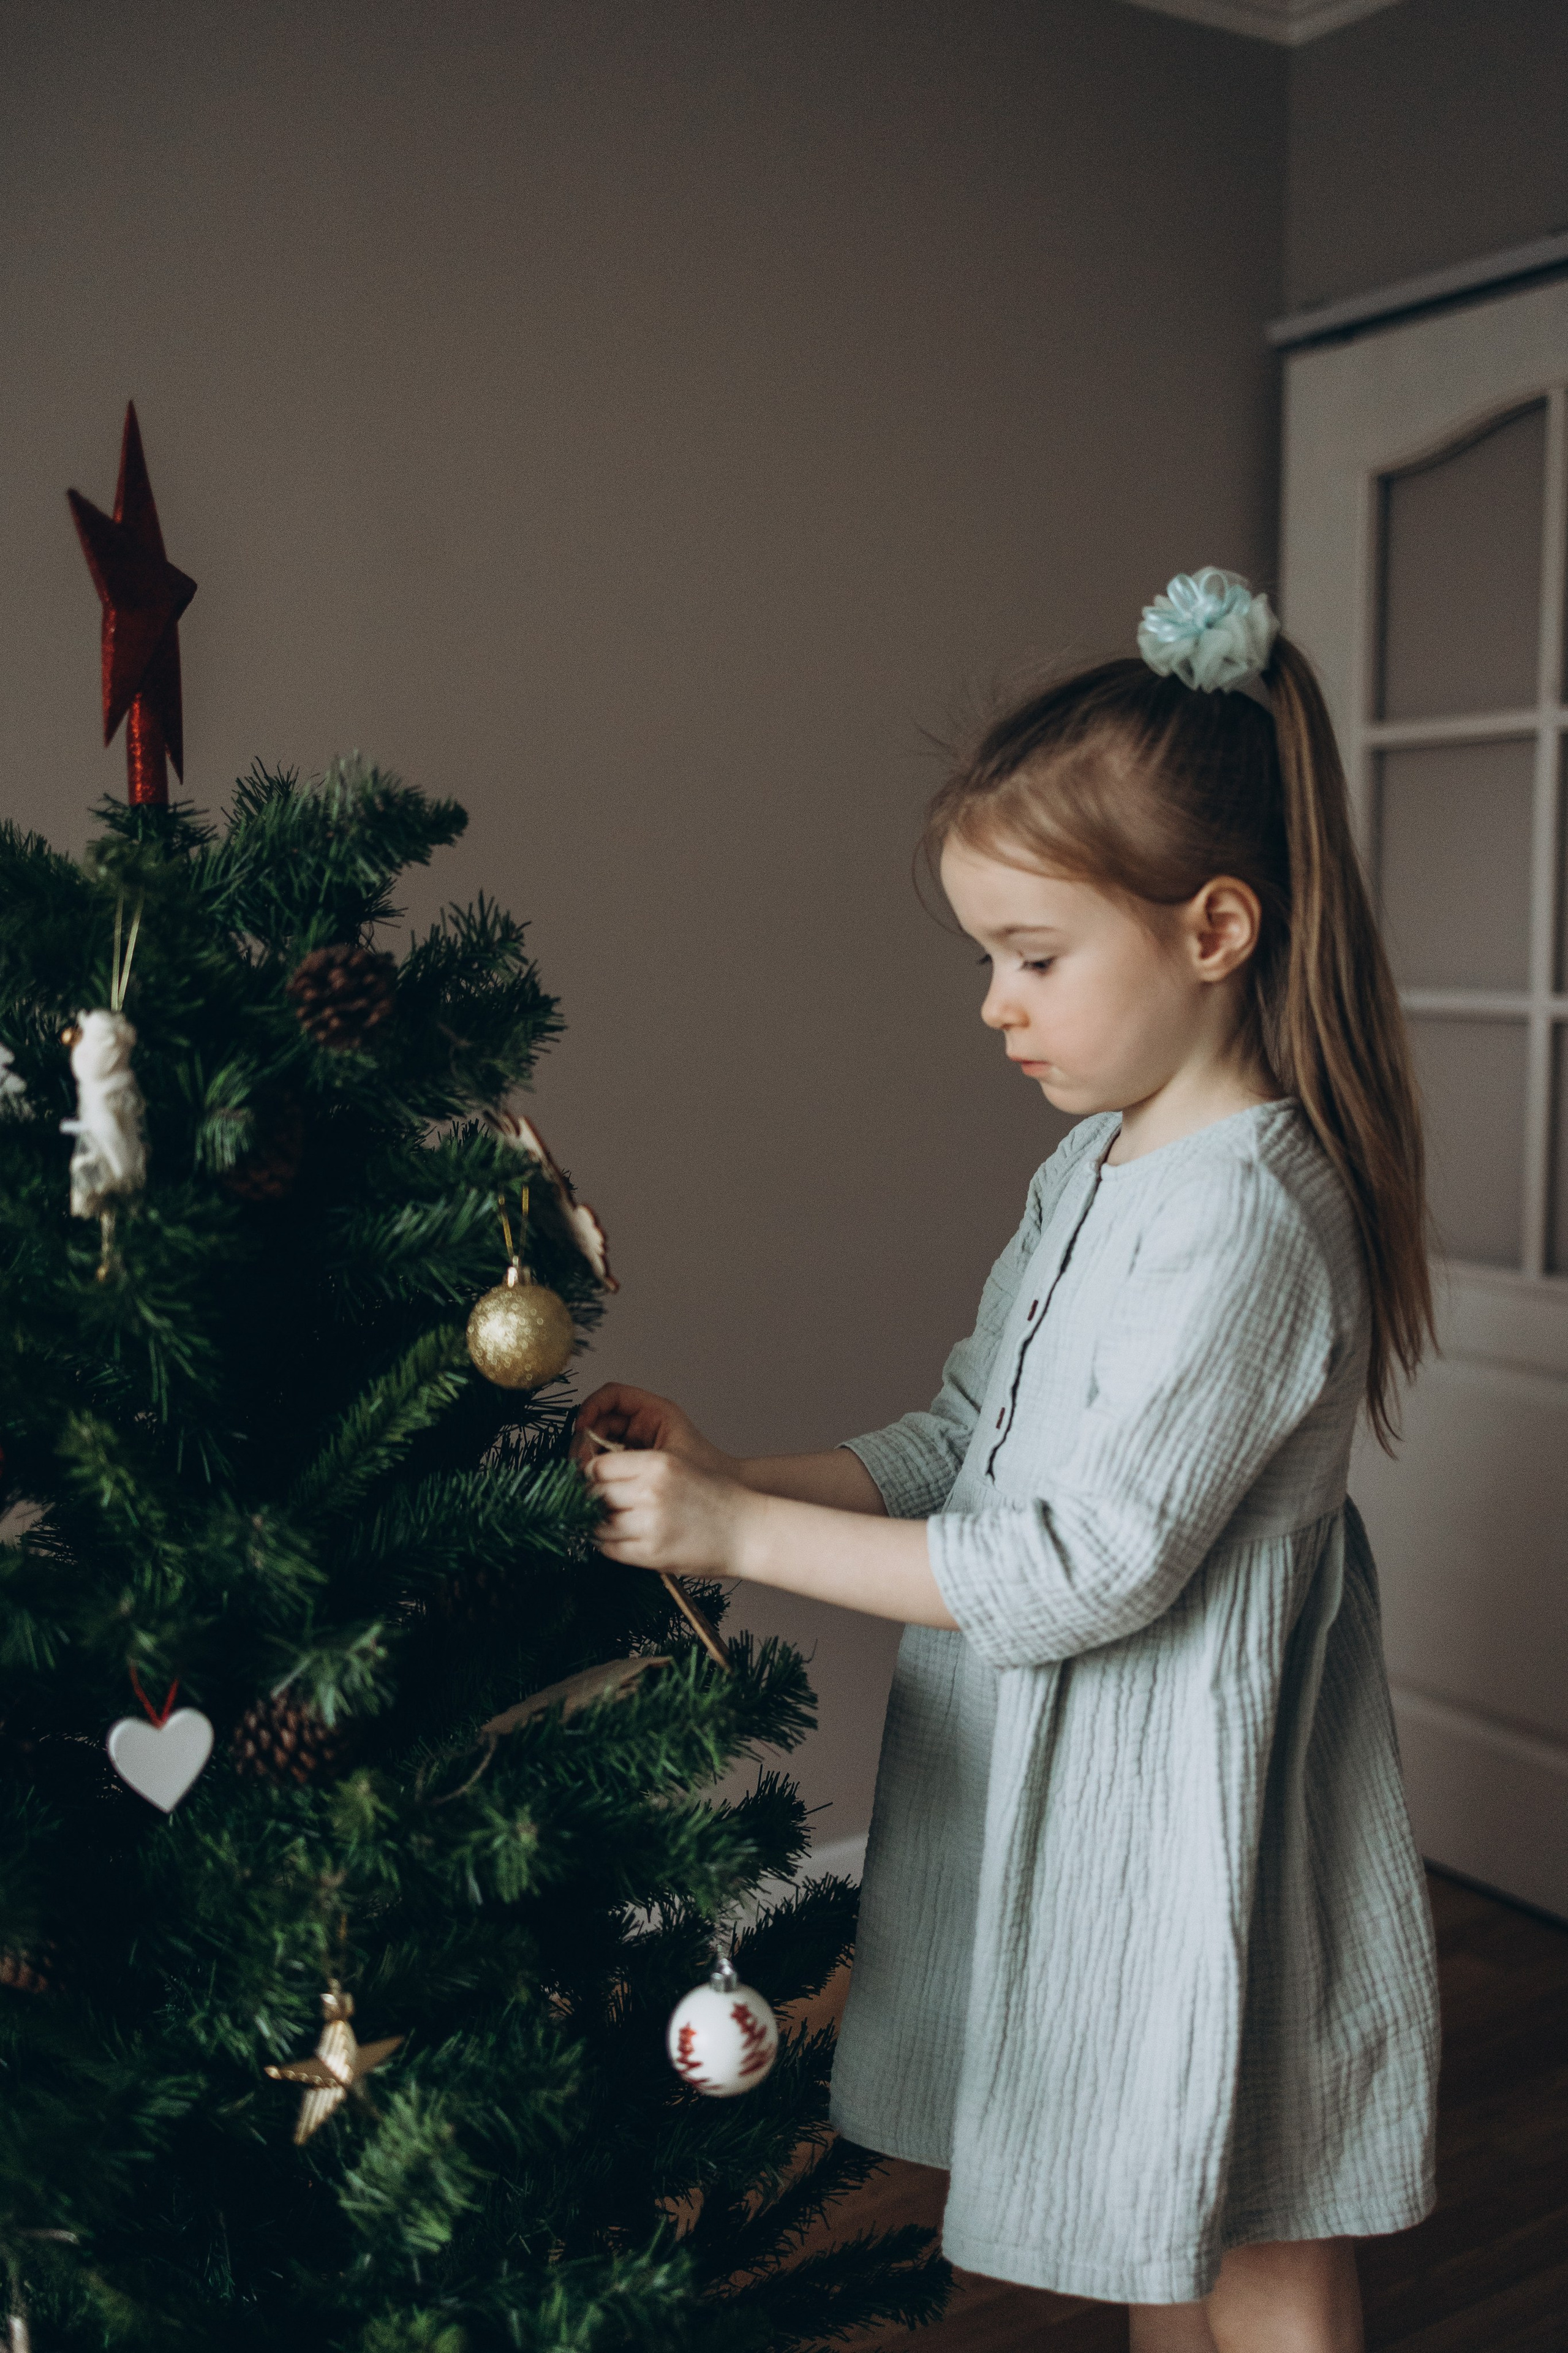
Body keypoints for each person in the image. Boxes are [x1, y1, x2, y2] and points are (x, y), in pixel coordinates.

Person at [575, 570, 1441, 2353]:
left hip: (1202, 1802)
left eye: (1034, 957)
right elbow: (965, 1440)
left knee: (1257, 2206)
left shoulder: (1252, 1222)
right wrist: (749, 1476)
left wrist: (738, 1529)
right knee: (1152, 2198)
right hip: (1083, 1785)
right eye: (988, 956)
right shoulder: (1096, 1167)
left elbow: (1077, 1567)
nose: (994, 1004)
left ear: (1217, 928)